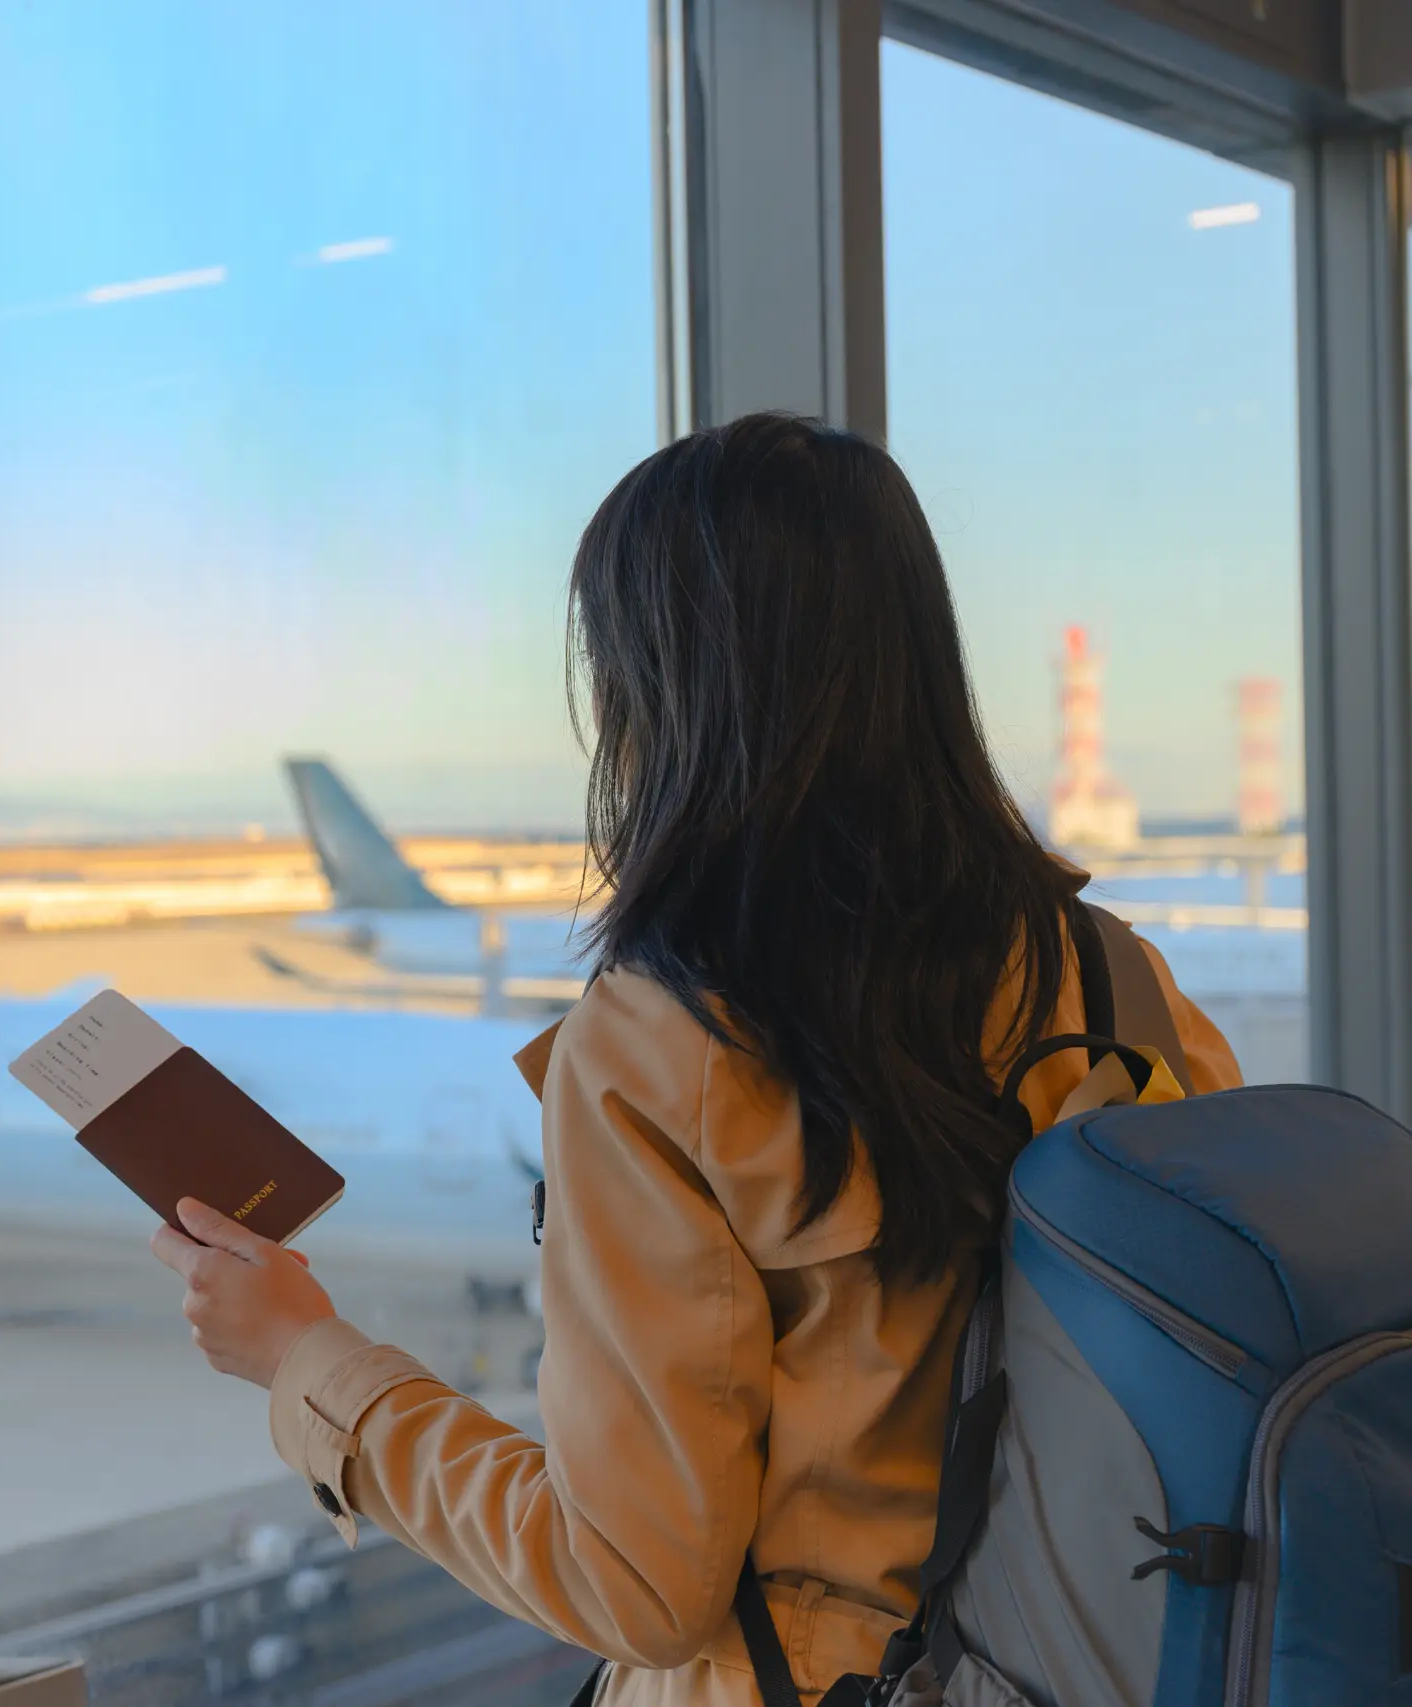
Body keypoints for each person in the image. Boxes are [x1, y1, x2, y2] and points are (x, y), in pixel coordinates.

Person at [149, 413, 1239, 1706]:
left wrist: (311, 1363)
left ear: (657, 688)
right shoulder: (1112, 976)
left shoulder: (667, 1043)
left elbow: (637, 1583)